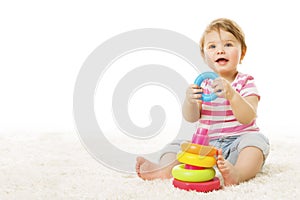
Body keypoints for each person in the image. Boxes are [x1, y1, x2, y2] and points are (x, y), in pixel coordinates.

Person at [136, 18, 270, 186]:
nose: (220, 51)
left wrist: (233, 95)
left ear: (242, 52)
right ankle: (163, 170)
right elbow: (191, 117)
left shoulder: (245, 82)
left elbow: (248, 117)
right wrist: (190, 101)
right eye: (212, 46)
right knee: (177, 146)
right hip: (204, 145)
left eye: (228, 45)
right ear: (204, 55)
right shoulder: (203, 84)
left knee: (256, 142)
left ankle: (238, 173)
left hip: (237, 144)